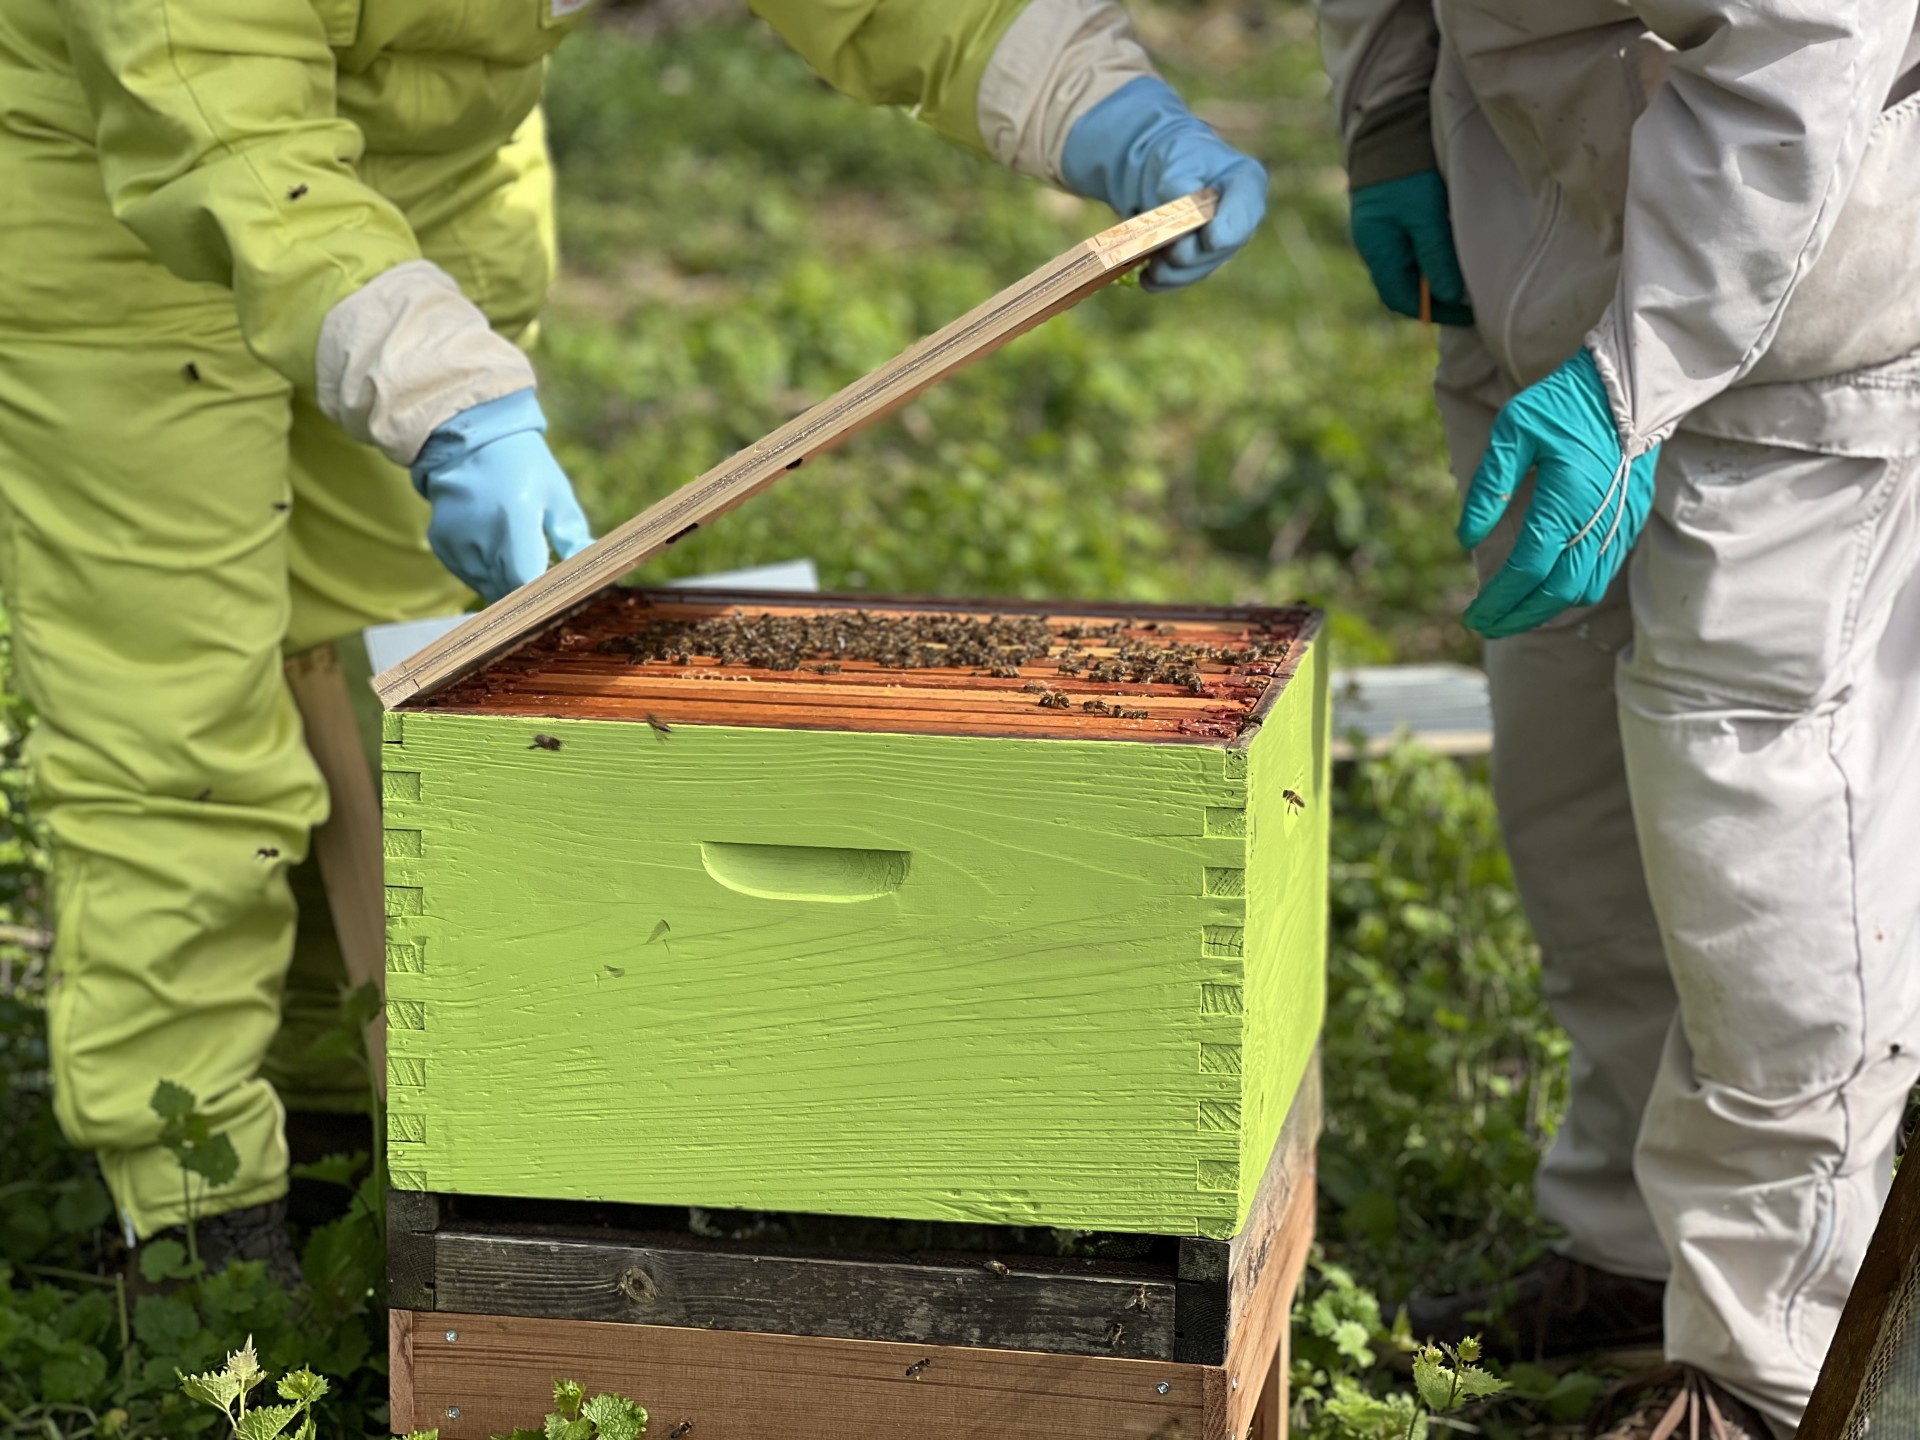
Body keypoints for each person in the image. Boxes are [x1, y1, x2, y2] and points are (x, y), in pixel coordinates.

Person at [0, 0, 1266, 1278]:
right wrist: (445, 400)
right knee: (178, 731)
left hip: (438, 192)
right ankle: (191, 1230)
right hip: (126, 202)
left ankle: (341, 1112)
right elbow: (217, 119)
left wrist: (1094, 101)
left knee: (399, 697)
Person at [1317, 0, 1920, 1434]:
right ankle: (1630, 1244)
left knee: (1754, 823)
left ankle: (1771, 1355)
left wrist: (1633, 374)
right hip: (1532, 233)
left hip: (1803, 289)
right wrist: (1393, 115)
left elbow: (1804, 45)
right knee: (1574, 778)